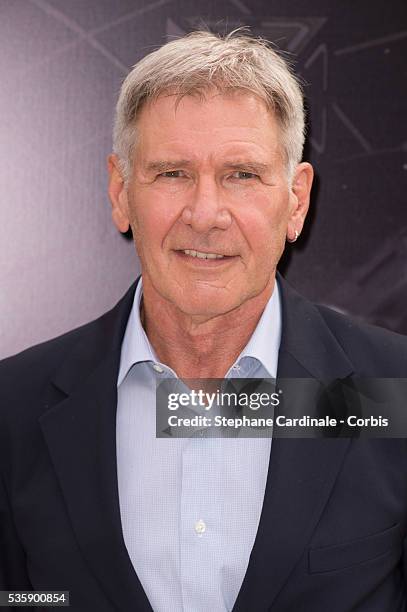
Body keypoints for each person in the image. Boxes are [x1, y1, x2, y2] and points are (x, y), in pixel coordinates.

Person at [0, 30, 406, 612]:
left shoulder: (393, 392)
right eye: (171, 173)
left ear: (296, 200)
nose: (205, 214)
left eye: (242, 174)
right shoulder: (13, 408)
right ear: (120, 192)